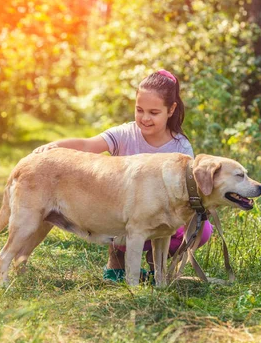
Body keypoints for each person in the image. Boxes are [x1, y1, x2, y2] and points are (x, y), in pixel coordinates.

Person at [34, 69, 213, 282]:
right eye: (139, 110)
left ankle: (157, 266)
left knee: (202, 230)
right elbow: (87, 145)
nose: (145, 118)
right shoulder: (126, 134)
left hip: (159, 217)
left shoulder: (180, 147)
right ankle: (117, 260)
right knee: (126, 217)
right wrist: (54, 146)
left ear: (171, 109)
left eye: (153, 113)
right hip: (119, 215)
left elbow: (187, 190)